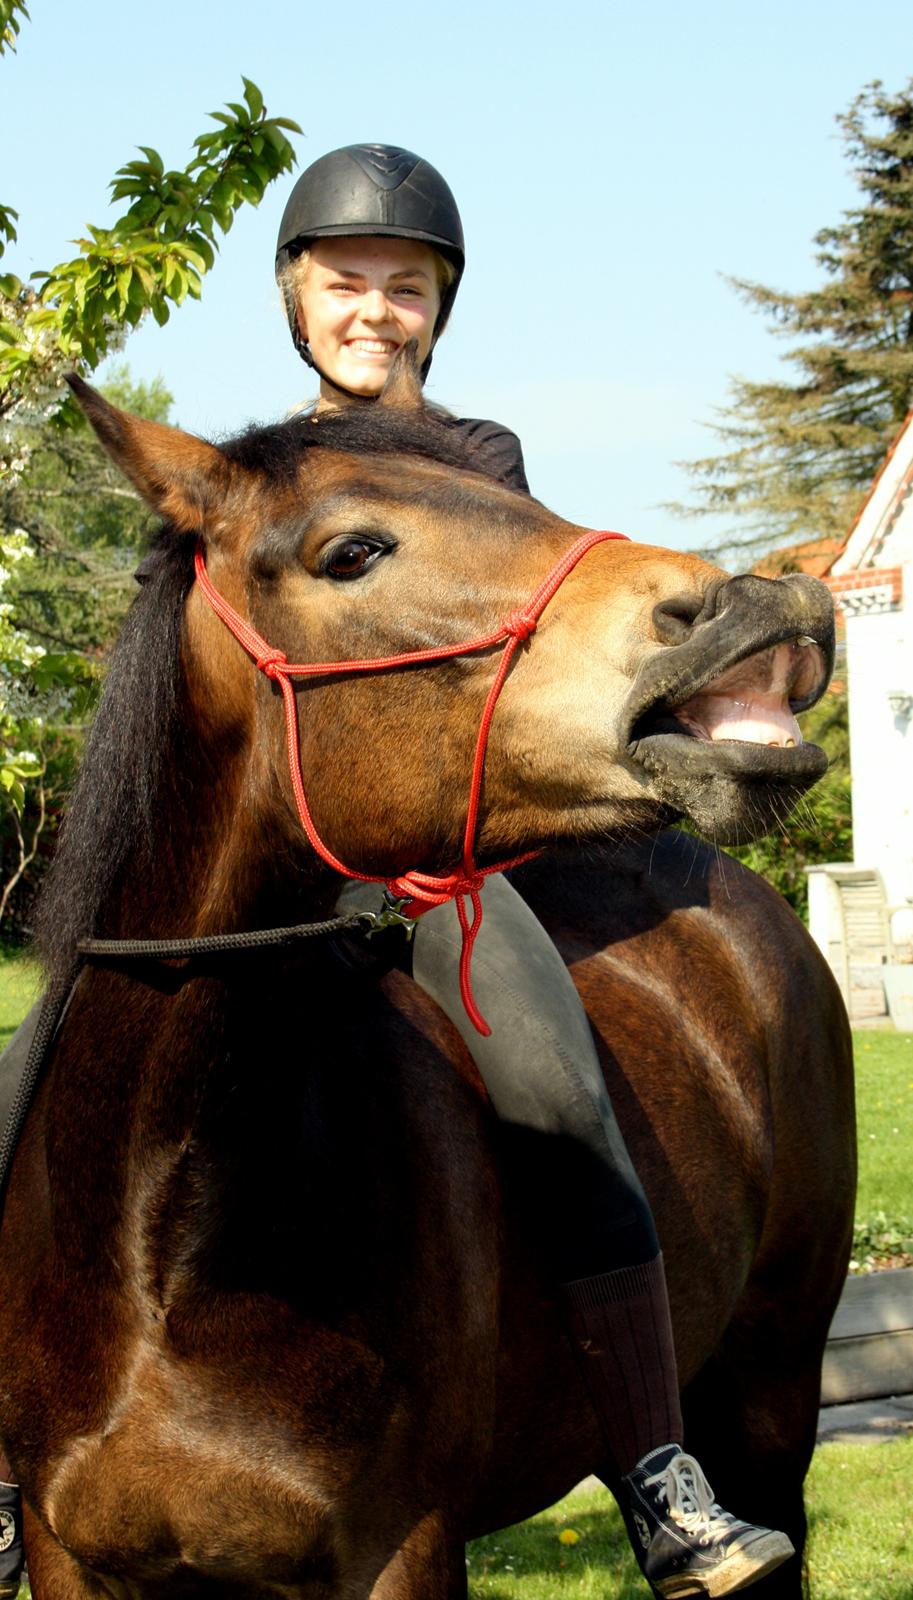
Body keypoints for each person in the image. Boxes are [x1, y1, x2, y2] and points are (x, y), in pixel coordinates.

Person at [272, 142, 795, 1598]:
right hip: (273, 876)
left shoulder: (477, 466)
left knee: (556, 1094)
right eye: (346, 283)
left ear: (437, 308)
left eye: (405, 286)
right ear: (296, 298)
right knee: (35, 1076)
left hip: (431, 872)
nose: (373, 308)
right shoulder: (253, 470)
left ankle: (654, 1474)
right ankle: (14, 1461)